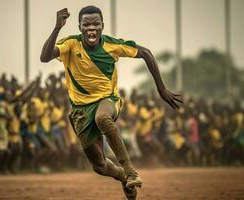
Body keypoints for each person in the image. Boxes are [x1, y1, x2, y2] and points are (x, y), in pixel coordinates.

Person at [40, 6, 183, 199]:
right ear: (80, 27)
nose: (91, 28)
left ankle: (131, 172)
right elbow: (45, 57)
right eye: (86, 24)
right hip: (80, 111)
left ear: (102, 26)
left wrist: (161, 89)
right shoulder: (71, 44)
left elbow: (146, 53)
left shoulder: (112, 45)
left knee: (103, 118)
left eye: (96, 24)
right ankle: (124, 178)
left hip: (107, 100)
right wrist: (57, 28)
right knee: (99, 166)